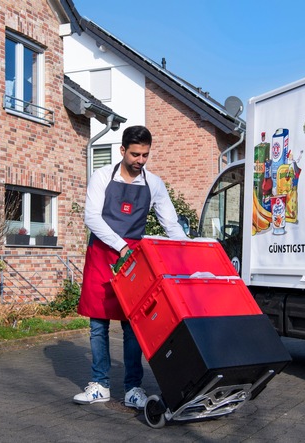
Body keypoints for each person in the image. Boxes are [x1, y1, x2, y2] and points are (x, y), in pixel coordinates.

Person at [73, 125, 188, 409]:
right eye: (135, 154)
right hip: (102, 254)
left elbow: (170, 223)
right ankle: (100, 385)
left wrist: (188, 250)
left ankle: (133, 388)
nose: (140, 160)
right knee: (98, 324)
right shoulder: (101, 176)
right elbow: (91, 218)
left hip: (132, 262)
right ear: (122, 150)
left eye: (145, 155)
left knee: (132, 325)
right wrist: (120, 246)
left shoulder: (154, 184)